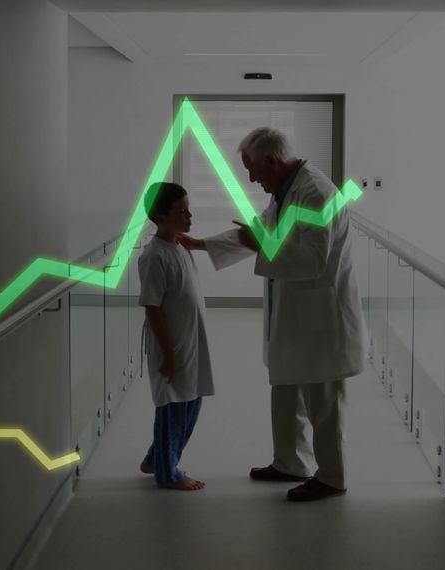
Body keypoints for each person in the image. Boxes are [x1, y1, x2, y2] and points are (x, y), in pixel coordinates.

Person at [178, 128, 365, 502]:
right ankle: (290, 463)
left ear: (273, 162)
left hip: (321, 318)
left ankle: (332, 477)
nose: (251, 179)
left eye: (253, 171)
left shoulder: (314, 194)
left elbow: (313, 260)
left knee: (323, 402)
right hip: (298, 315)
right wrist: (201, 244)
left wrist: (261, 244)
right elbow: (264, 231)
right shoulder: (287, 190)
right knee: (285, 392)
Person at [137, 182, 215, 491]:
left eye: (188, 209)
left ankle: (155, 458)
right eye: (181, 212)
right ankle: (167, 473)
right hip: (172, 346)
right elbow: (152, 308)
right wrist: (168, 354)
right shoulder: (154, 256)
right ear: (160, 217)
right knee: (173, 408)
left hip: (189, 342)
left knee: (191, 403)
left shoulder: (179, 246)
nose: (189, 216)